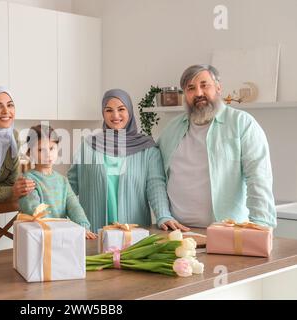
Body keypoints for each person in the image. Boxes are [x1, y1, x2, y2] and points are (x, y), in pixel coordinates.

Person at [158, 64, 277, 228]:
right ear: (185, 94)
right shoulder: (171, 129)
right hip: (179, 233)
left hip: (228, 232)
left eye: (204, 85)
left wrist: (261, 225)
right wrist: (162, 215)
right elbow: (157, 177)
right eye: (191, 88)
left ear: (218, 87)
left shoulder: (242, 123)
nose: (198, 93)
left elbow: (258, 178)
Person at [67, 89, 185, 233]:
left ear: (129, 111)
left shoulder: (147, 149)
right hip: (93, 233)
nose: (115, 115)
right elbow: (69, 188)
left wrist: (164, 216)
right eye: (109, 110)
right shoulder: (88, 146)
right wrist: (40, 189)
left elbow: (156, 186)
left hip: (133, 234)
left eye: (121, 109)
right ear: (103, 114)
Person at [19, 125, 97, 239]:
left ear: (57, 149)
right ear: (30, 153)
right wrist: (56, 232)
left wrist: (83, 227)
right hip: (39, 237)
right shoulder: (28, 180)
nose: (48, 154)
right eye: (41, 150)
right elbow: (34, 210)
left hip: (60, 236)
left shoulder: (63, 181)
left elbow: (74, 206)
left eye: (51, 148)